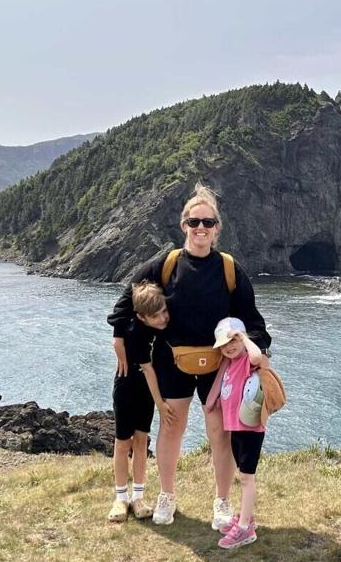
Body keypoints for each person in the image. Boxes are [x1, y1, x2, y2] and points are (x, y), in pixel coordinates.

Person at [107, 183, 271, 528]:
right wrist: (118, 334)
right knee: (171, 428)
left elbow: (253, 319)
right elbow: (129, 297)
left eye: (207, 223)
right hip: (172, 360)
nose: (200, 229)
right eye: (194, 222)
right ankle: (166, 496)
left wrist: (258, 349)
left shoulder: (229, 269)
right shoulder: (165, 264)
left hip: (218, 365)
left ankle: (222, 502)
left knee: (219, 433)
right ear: (183, 225)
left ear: (217, 228)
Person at [108, 281, 170, 522]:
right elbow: (148, 370)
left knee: (142, 441)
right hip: (127, 386)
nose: (163, 318)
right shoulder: (135, 332)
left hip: (146, 390)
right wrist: (161, 404)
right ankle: (121, 498)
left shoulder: (158, 325)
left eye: (164, 311)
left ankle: (138, 496)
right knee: (123, 442)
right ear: (142, 317)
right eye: (156, 316)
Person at [203, 317, 267, 549]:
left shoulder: (248, 361)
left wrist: (245, 339)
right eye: (224, 344)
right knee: (243, 474)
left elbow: (258, 356)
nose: (229, 346)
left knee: (247, 478)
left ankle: (244, 530)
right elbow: (220, 385)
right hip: (235, 428)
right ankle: (245, 517)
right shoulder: (229, 363)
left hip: (250, 428)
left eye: (233, 340)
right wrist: (210, 402)